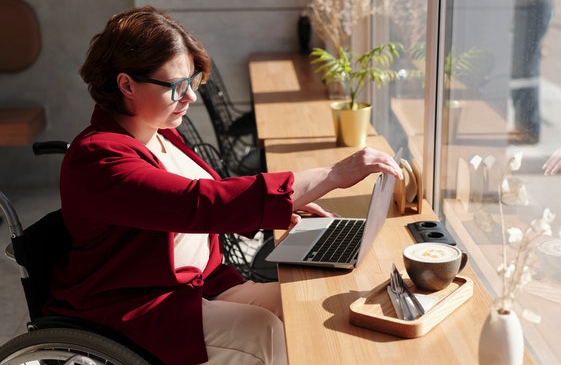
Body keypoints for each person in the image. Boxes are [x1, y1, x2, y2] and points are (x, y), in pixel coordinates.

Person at [43, 6, 403, 365]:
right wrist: (332, 175)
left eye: (192, 82)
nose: (191, 97)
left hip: (200, 285)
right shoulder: (99, 157)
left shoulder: (157, 132)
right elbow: (199, 204)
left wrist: (288, 202)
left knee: (301, 305)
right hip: (138, 305)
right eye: (176, 86)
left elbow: (205, 192)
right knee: (265, 330)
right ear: (126, 85)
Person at [508, 0, 553, 145]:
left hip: (530, 7)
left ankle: (528, 129)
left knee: (524, 73)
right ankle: (524, 126)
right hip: (527, 7)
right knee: (522, 71)